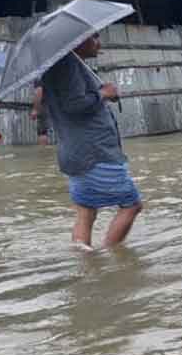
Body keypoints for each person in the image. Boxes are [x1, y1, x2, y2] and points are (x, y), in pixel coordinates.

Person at [41, 33, 142, 248]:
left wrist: (101, 93)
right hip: (94, 154)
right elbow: (74, 104)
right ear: (77, 40)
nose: (99, 43)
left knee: (86, 213)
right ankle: (112, 257)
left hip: (77, 154)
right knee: (132, 206)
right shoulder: (68, 65)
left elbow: (74, 100)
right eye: (94, 37)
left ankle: (86, 264)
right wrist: (103, 94)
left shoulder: (64, 66)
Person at [30, 80, 50, 146]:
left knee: (42, 132)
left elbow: (39, 90)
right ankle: (46, 152)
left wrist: (35, 109)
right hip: (49, 104)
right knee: (44, 131)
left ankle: (43, 153)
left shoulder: (38, 75)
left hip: (43, 105)